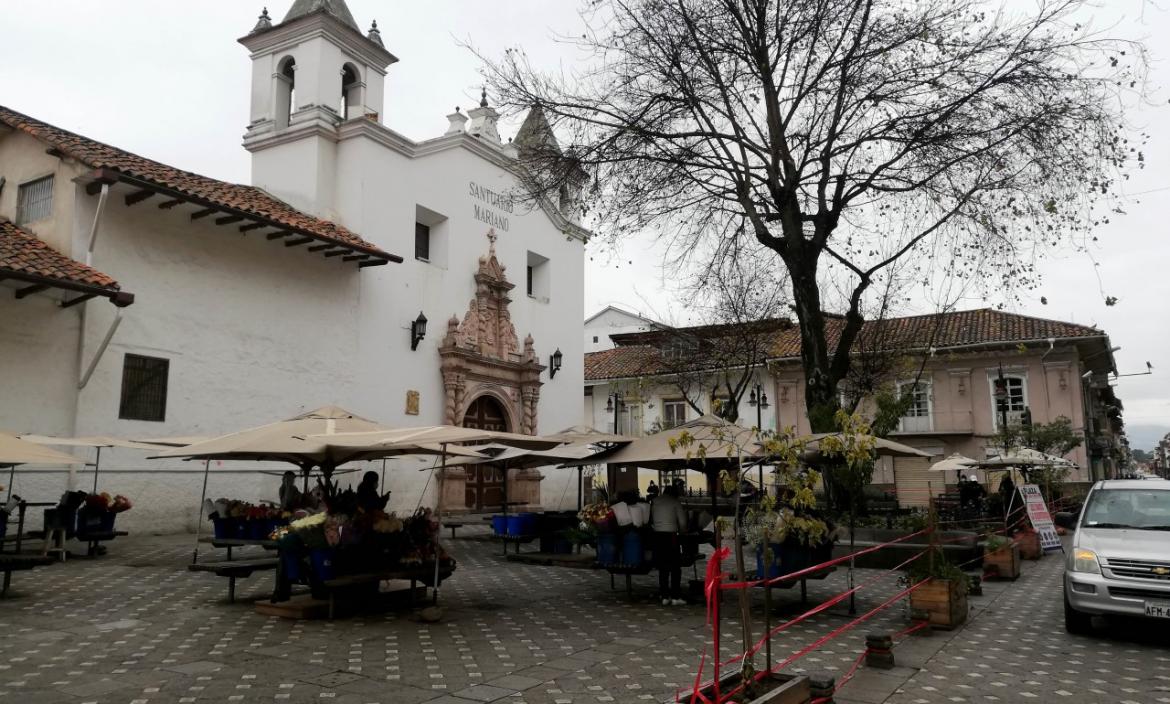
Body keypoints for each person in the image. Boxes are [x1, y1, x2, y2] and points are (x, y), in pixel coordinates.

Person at [650, 484, 689, 606]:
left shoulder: (654, 501)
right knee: (675, 567)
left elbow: (650, 519)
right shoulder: (675, 502)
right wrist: (683, 531)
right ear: (674, 493)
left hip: (657, 536)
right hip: (671, 536)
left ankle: (664, 596)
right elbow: (682, 523)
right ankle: (676, 596)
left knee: (663, 567)